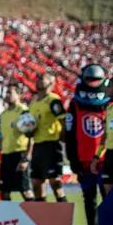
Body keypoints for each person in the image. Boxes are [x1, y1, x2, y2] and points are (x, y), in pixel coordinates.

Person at [65, 64, 111, 225]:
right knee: (89, 197)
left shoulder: (111, 104)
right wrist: (72, 158)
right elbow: (69, 132)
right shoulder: (75, 104)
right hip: (83, 160)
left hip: (105, 158)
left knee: (108, 197)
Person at [28, 72, 68, 203]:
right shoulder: (33, 103)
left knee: (55, 182)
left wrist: (61, 137)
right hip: (38, 145)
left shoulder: (53, 100)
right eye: (38, 78)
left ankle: (64, 215)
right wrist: (29, 132)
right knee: (36, 183)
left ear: (51, 83)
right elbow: (31, 125)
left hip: (52, 145)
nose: (38, 80)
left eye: (42, 78)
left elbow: (63, 121)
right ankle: (41, 217)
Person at [0, 85, 35, 201]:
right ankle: (7, 218)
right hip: (6, 156)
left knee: (26, 191)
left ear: (18, 95)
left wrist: (26, 159)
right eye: (6, 93)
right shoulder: (3, 115)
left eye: (11, 93)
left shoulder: (24, 112)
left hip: (20, 154)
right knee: (4, 192)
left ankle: (34, 217)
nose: (7, 95)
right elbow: (1, 138)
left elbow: (31, 137)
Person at [93, 74, 113, 198]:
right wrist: (96, 157)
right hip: (110, 156)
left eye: (109, 87)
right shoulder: (110, 109)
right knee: (109, 194)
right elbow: (105, 136)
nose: (106, 90)